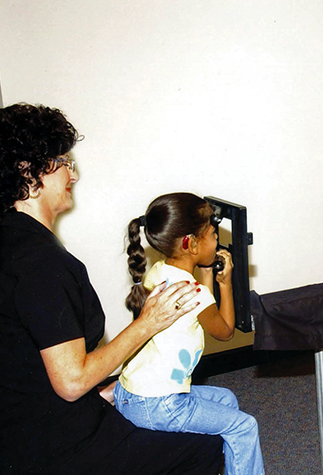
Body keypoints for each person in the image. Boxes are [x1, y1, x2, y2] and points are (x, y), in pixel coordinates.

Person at [0, 103, 223, 474]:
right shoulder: (39, 264)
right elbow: (70, 382)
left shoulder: (7, 243)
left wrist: (107, 391)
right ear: (28, 173)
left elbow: (24, 365)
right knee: (209, 447)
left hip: (17, 431)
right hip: (53, 448)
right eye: (63, 161)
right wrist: (148, 322)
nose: (73, 174)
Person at [115, 193, 264, 475]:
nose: (217, 240)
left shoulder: (160, 271)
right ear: (190, 243)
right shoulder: (192, 293)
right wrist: (226, 283)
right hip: (160, 404)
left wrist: (208, 271)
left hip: (131, 394)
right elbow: (225, 331)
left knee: (226, 400)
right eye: (212, 234)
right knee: (245, 426)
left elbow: (200, 298)